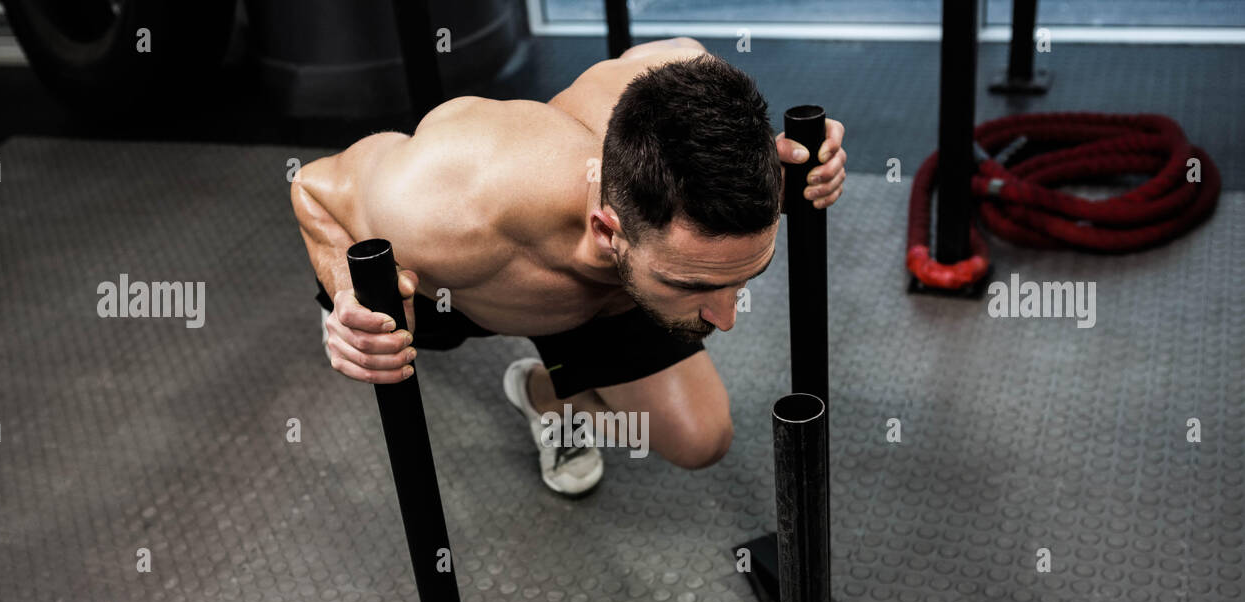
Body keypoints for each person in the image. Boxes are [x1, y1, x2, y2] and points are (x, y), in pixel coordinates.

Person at [292, 37, 846, 496]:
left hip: (613, 293)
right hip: (461, 288)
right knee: (377, 328)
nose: (728, 318)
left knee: (702, 440)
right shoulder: (452, 201)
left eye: (744, 279)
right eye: (694, 283)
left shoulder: (695, 100)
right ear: (609, 230)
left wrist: (801, 171)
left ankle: (545, 398)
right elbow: (314, 188)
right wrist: (346, 290)